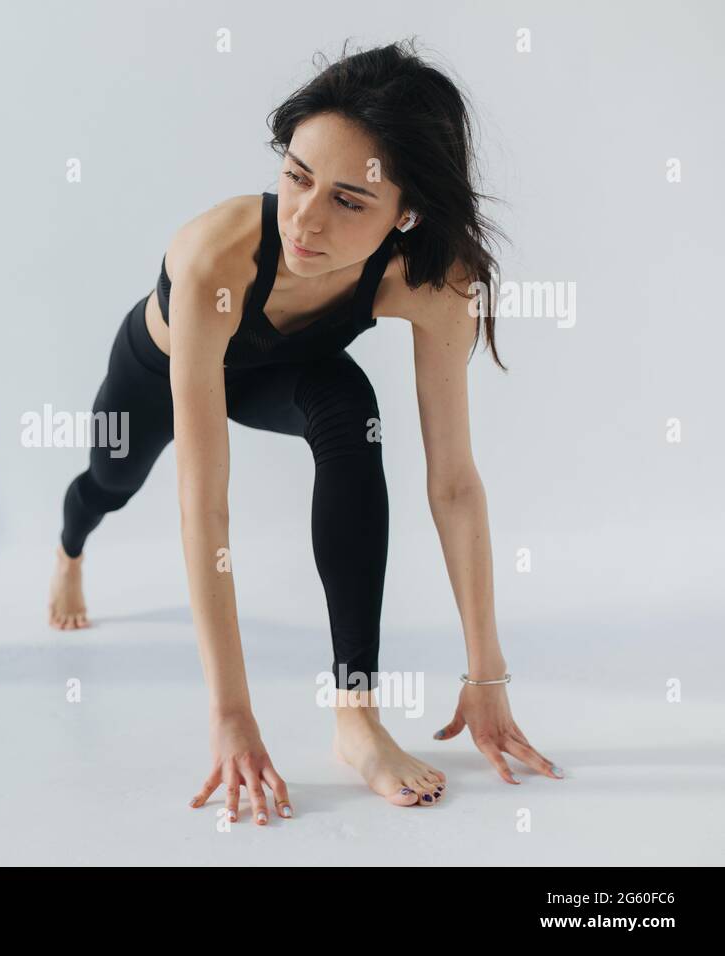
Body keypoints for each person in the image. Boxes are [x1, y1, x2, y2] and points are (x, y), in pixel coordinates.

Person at [48, 39, 564, 824]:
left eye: (351, 200)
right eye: (296, 176)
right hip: (162, 366)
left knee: (352, 418)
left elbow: (455, 483)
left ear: (408, 212)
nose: (305, 219)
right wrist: (231, 716)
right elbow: (206, 505)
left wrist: (486, 673)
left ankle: (356, 717)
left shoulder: (434, 281)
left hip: (289, 371)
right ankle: (68, 551)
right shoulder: (216, 256)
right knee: (106, 484)